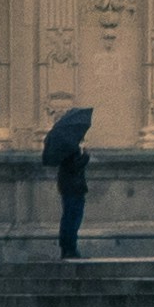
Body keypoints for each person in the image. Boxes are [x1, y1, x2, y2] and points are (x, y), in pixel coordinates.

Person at [40, 105, 92, 259]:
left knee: (70, 217)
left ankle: (68, 248)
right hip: (73, 188)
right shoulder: (70, 147)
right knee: (72, 218)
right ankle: (69, 248)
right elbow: (74, 167)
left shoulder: (68, 147)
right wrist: (86, 156)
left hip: (70, 187)